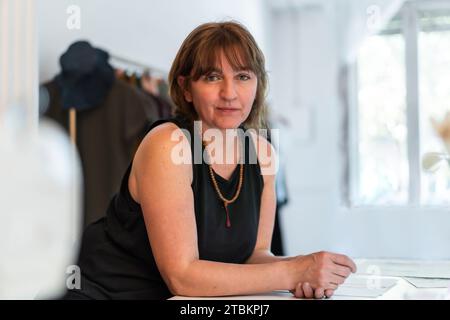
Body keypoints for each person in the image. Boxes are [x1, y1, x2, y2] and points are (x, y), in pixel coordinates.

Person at [64, 21, 356, 300]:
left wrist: (305, 274)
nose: (229, 93)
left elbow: (255, 256)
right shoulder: (168, 144)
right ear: (186, 88)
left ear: (257, 85)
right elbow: (182, 276)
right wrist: (291, 272)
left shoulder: (264, 153)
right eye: (213, 77)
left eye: (243, 76)